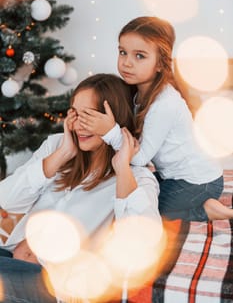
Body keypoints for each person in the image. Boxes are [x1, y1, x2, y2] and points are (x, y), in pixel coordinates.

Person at [0, 73, 162, 302]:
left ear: (115, 120)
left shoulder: (135, 176)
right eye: (75, 113)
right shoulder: (56, 146)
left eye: (90, 116)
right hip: (11, 260)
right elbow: (7, 200)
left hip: (53, 287)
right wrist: (63, 154)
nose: (79, 124)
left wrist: (122, 167)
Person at [78, 16, 233, 222]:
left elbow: (141, 159)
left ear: (160, 63)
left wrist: (109, 131)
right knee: (129, 191)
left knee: (142, 207)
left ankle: (208, 210)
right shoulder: (136, 92)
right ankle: (202, 204)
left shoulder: (164, 104)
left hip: (198, 181)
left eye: (139, 56)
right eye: (123, 52)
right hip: (174, 176)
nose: (127, 62)